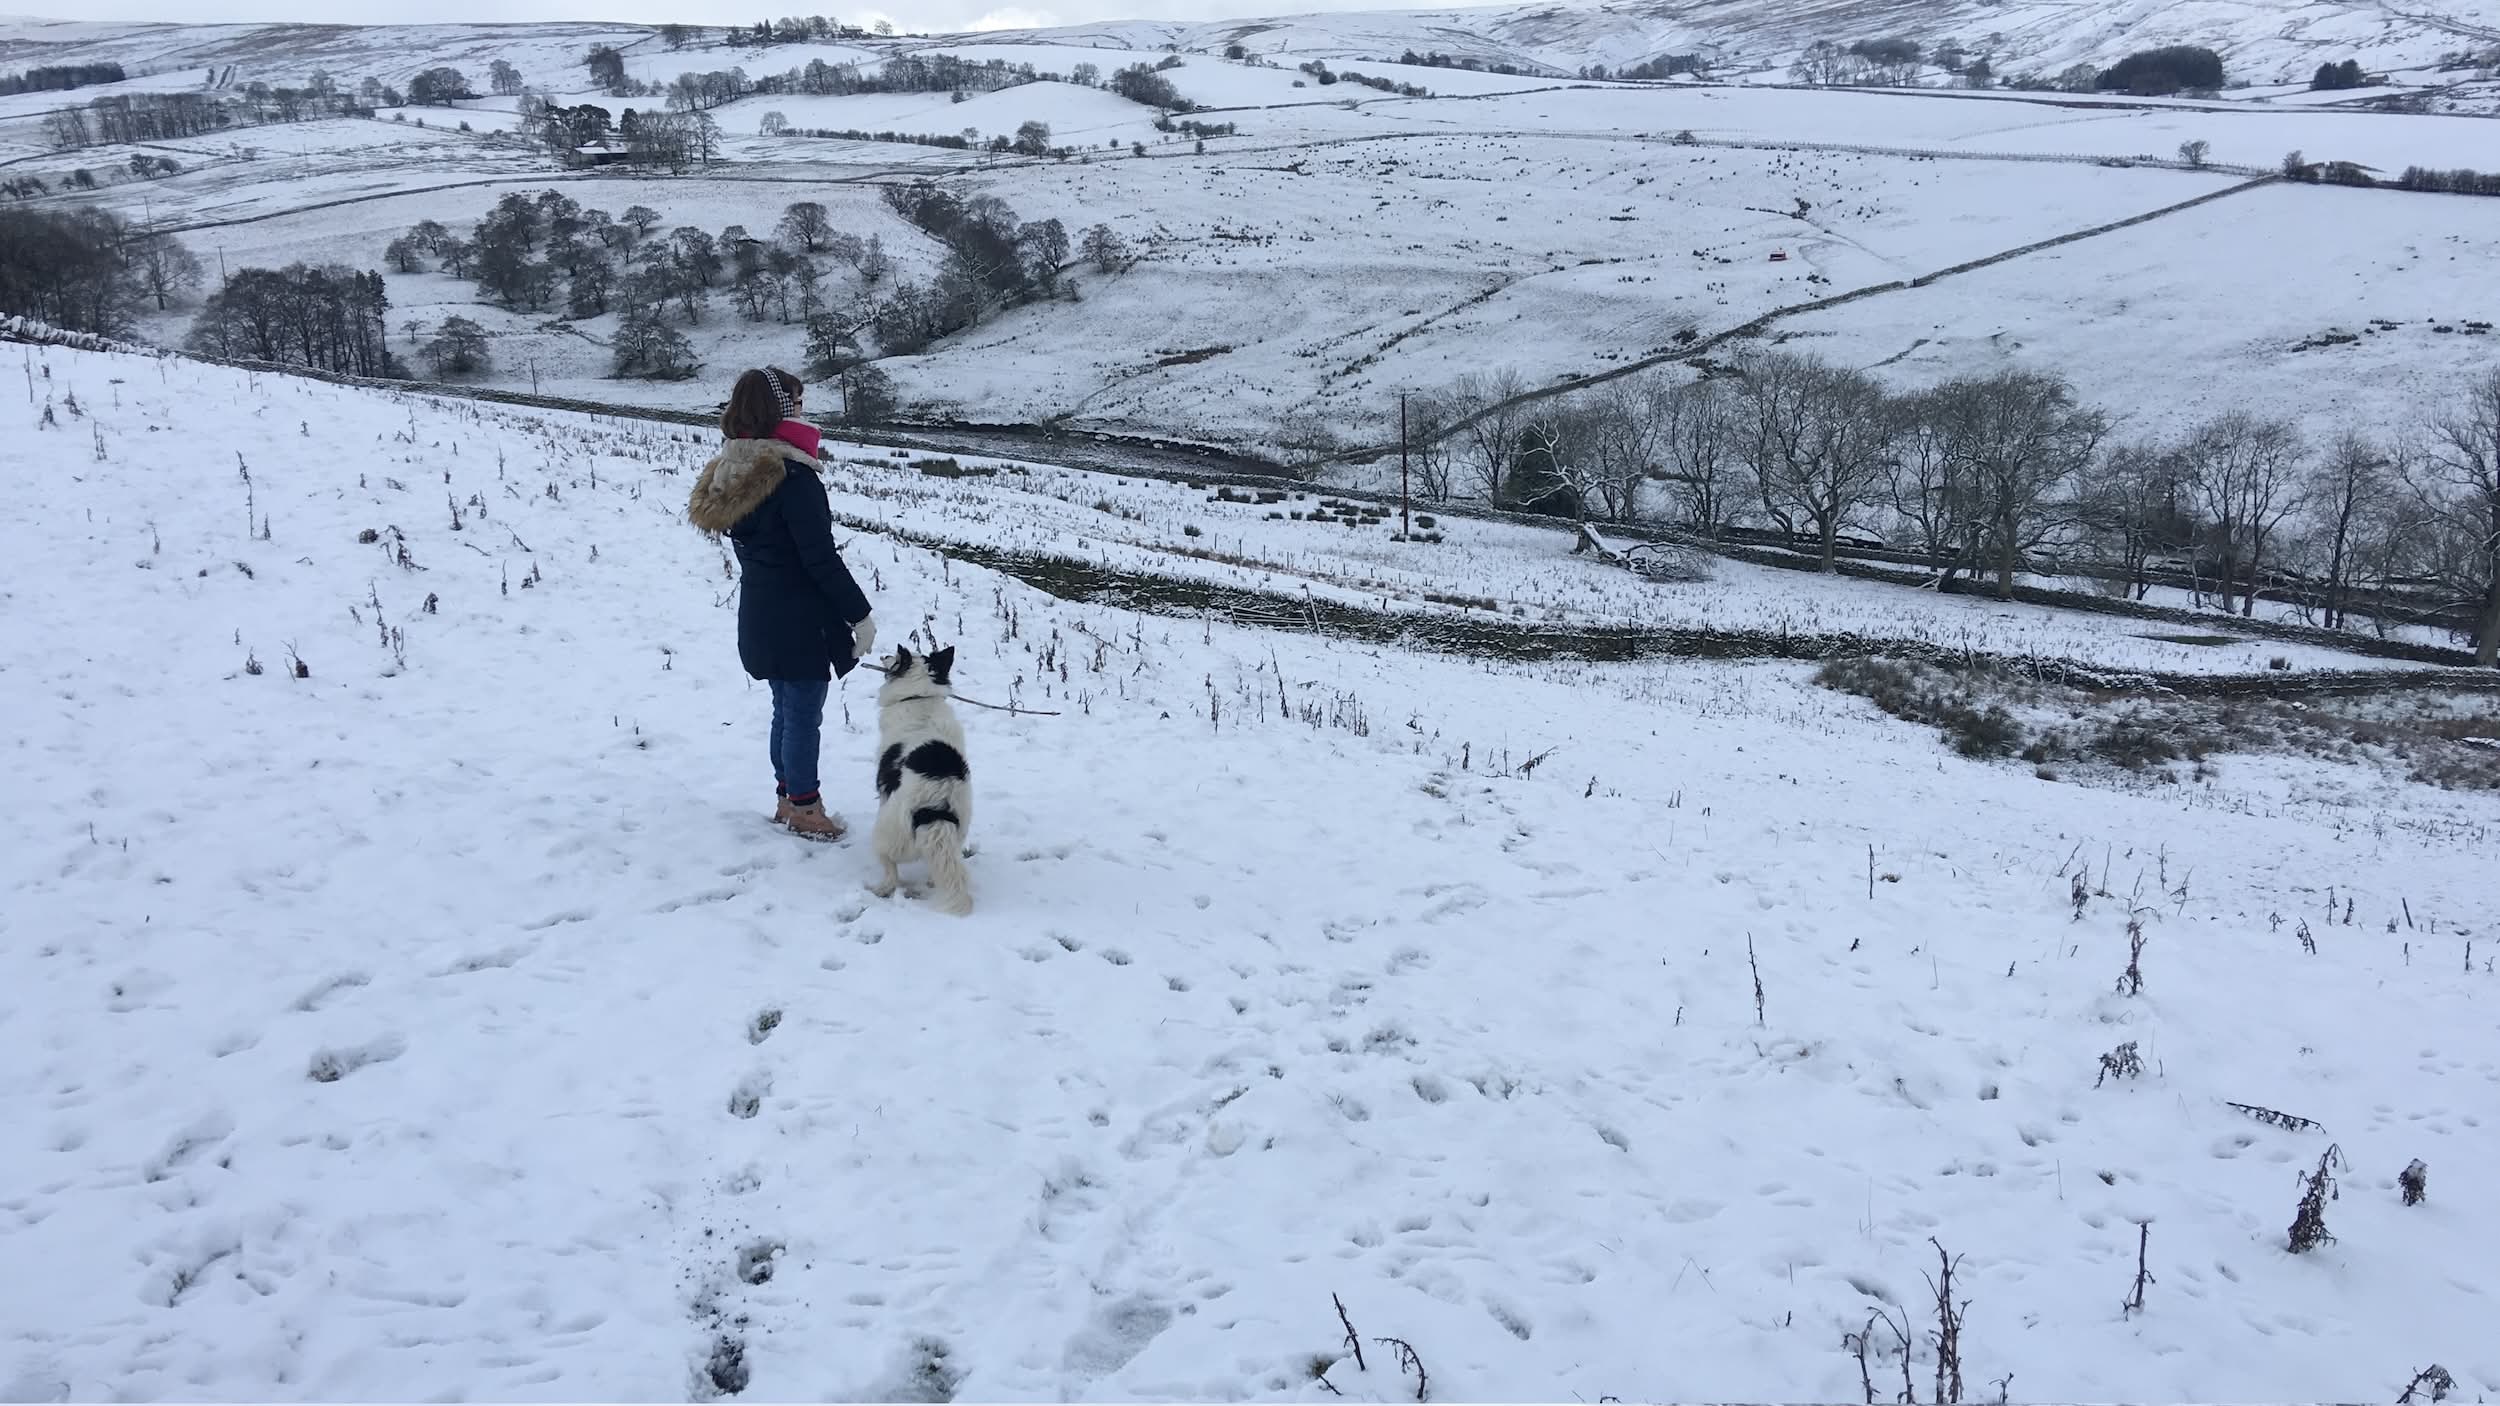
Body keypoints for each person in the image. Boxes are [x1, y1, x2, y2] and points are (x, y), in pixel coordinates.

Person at [687, 367, 876, 839]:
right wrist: (859, 615)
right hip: (800, 620)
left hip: (760, 613)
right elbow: (820, 559)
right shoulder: (793, 478)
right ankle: (806, 809)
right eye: (798, 402)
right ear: (779, 409)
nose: (803, 410)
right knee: (803, 716)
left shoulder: (735, 473)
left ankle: (787, 799)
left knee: (785, 711)